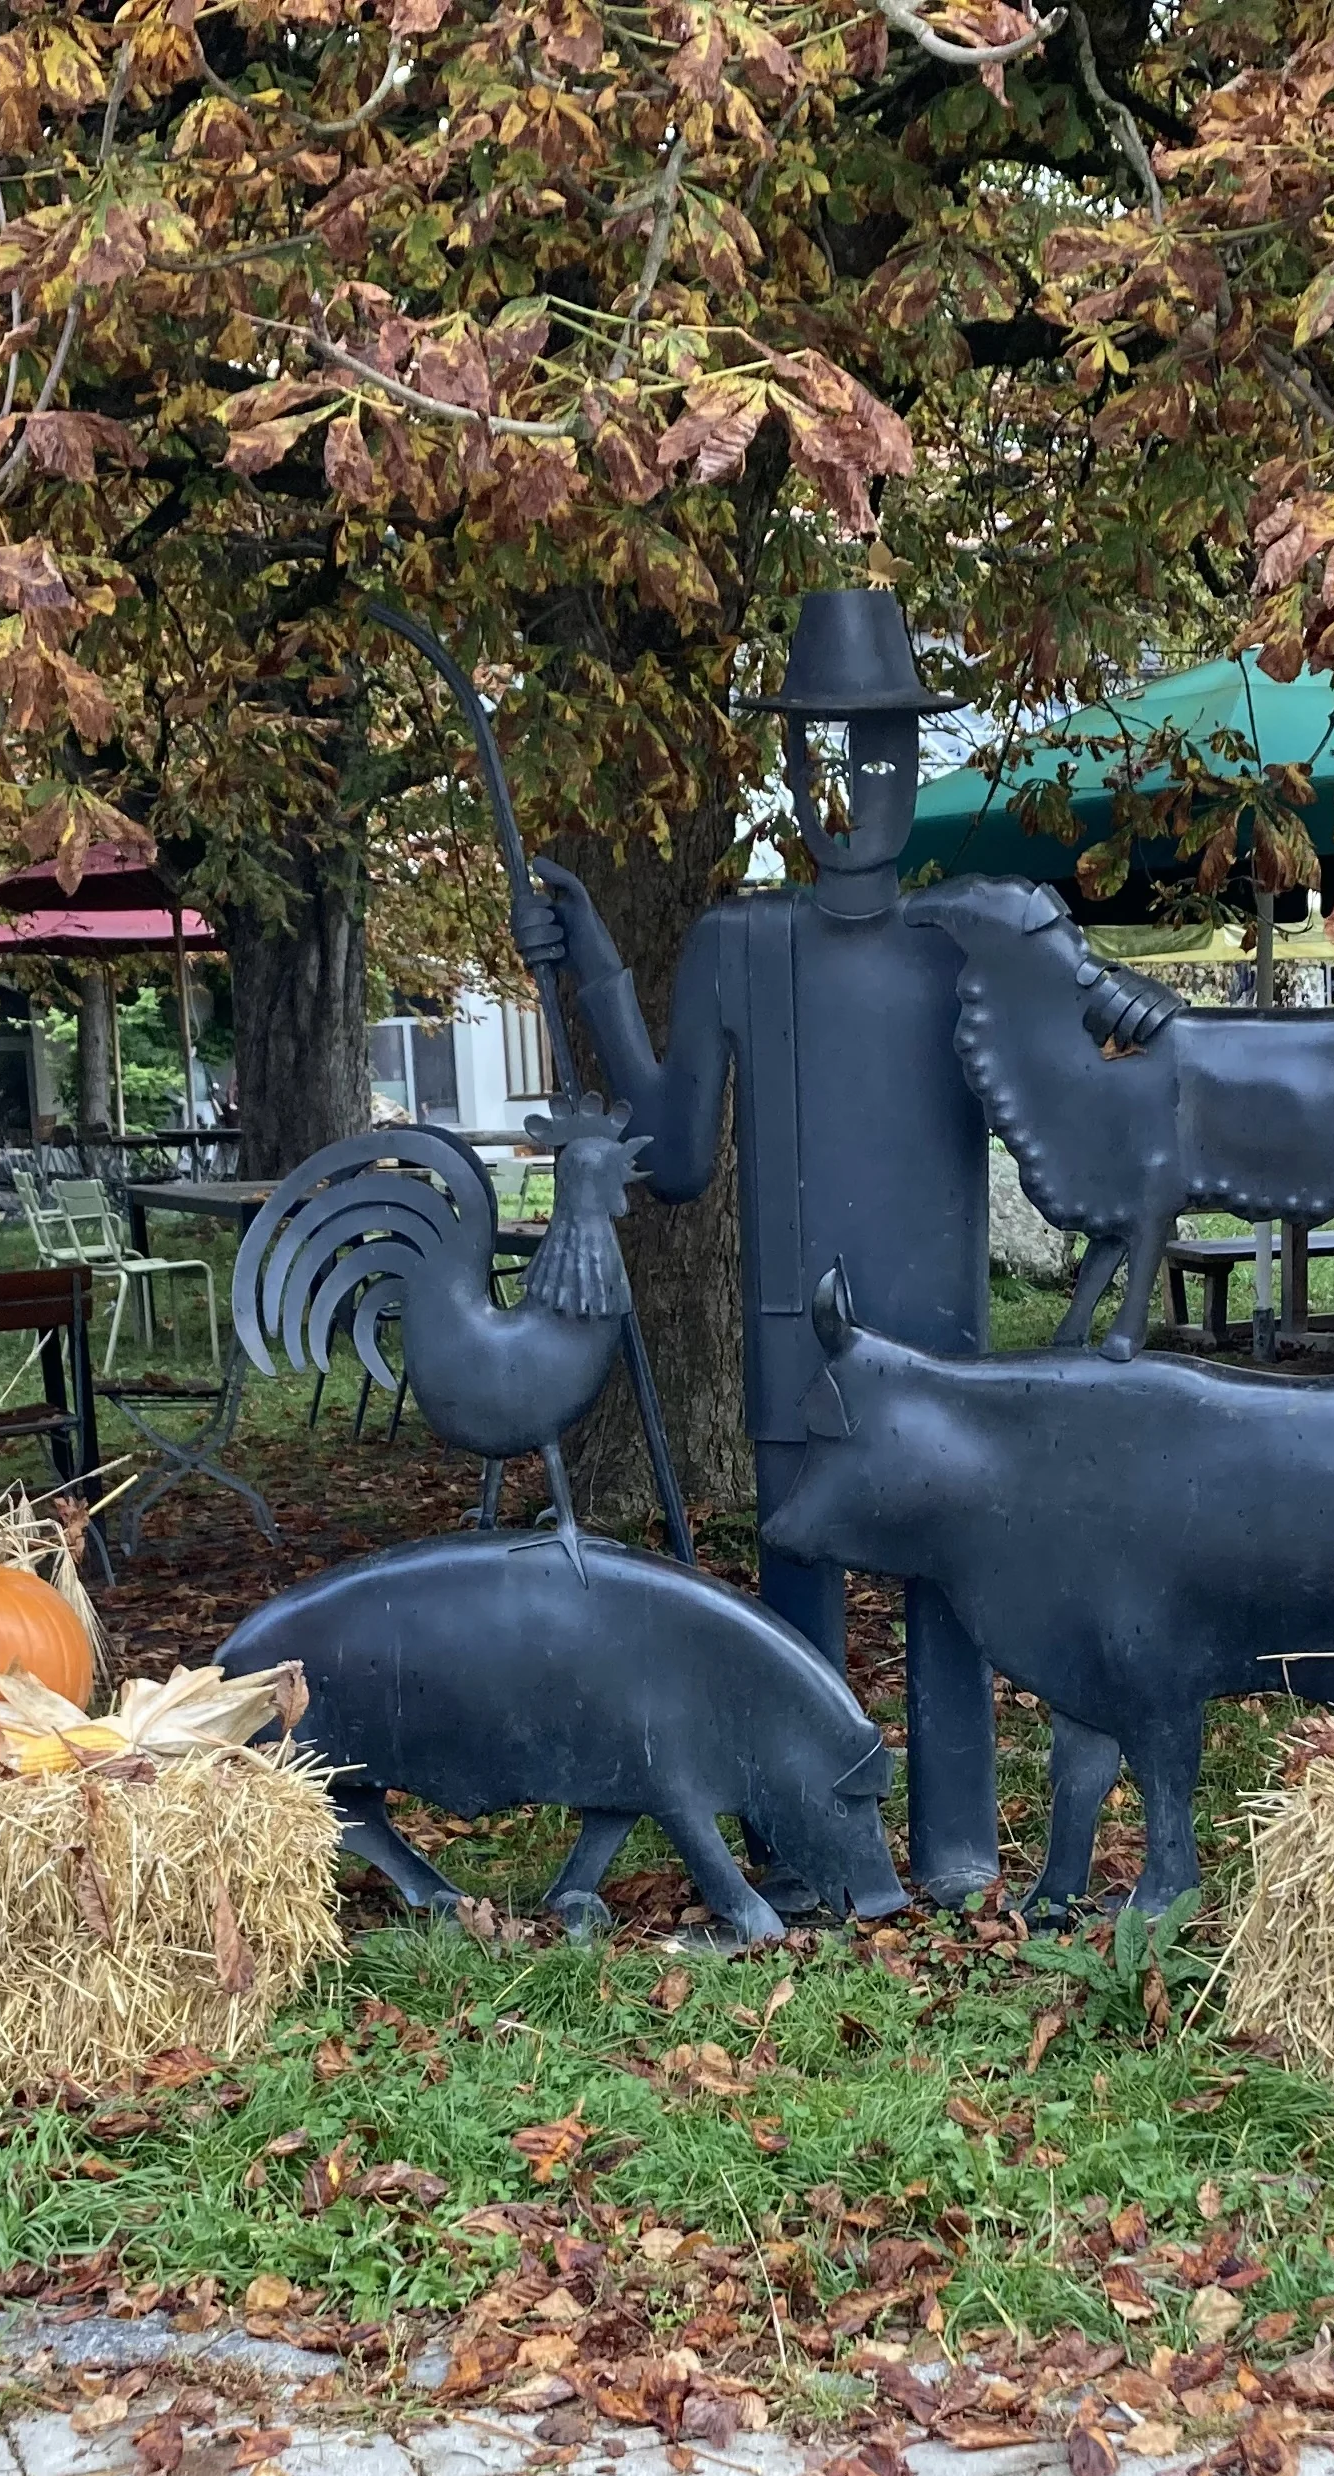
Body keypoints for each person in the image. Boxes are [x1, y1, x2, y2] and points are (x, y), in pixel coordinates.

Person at [513, 589, 1012, 1904]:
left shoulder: (970, 943)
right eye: (824, 755)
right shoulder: (742, 943)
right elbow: (675, 1155)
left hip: (942, 1339)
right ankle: (810, 1838)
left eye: (881, 751)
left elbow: (1060, 1099)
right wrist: (600, 979)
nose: (853, 783)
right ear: (790, 773)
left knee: (950, 1586)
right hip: (798, 1342)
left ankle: (960, 1842)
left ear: (914, 761)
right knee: (802, 1606)